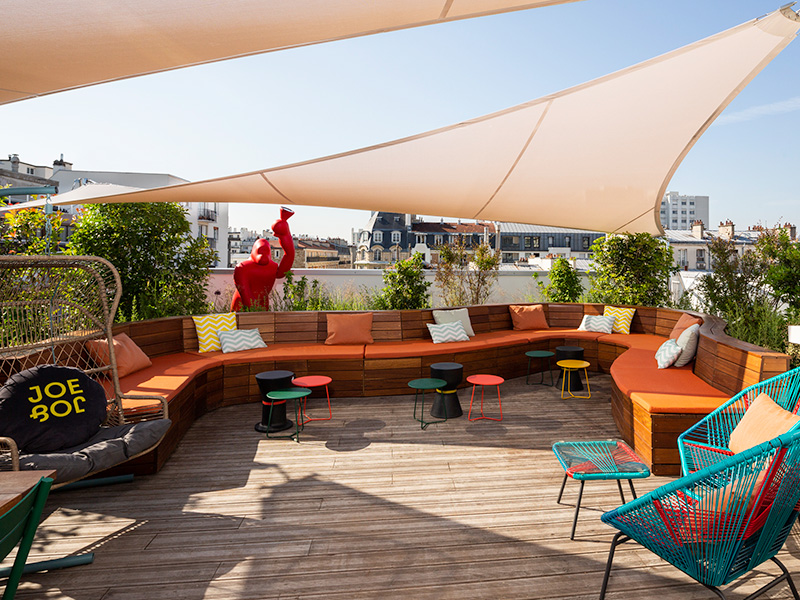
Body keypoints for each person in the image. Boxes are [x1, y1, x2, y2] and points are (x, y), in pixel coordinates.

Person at [231, 207, 295, 311]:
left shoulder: (245, 268)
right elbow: (245, 295)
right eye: (261, 251)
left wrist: (285, 235)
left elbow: (288, 260)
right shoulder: (242, 268)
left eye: (265, 251)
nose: (263, 255)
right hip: (242, 306)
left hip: (262, 304)